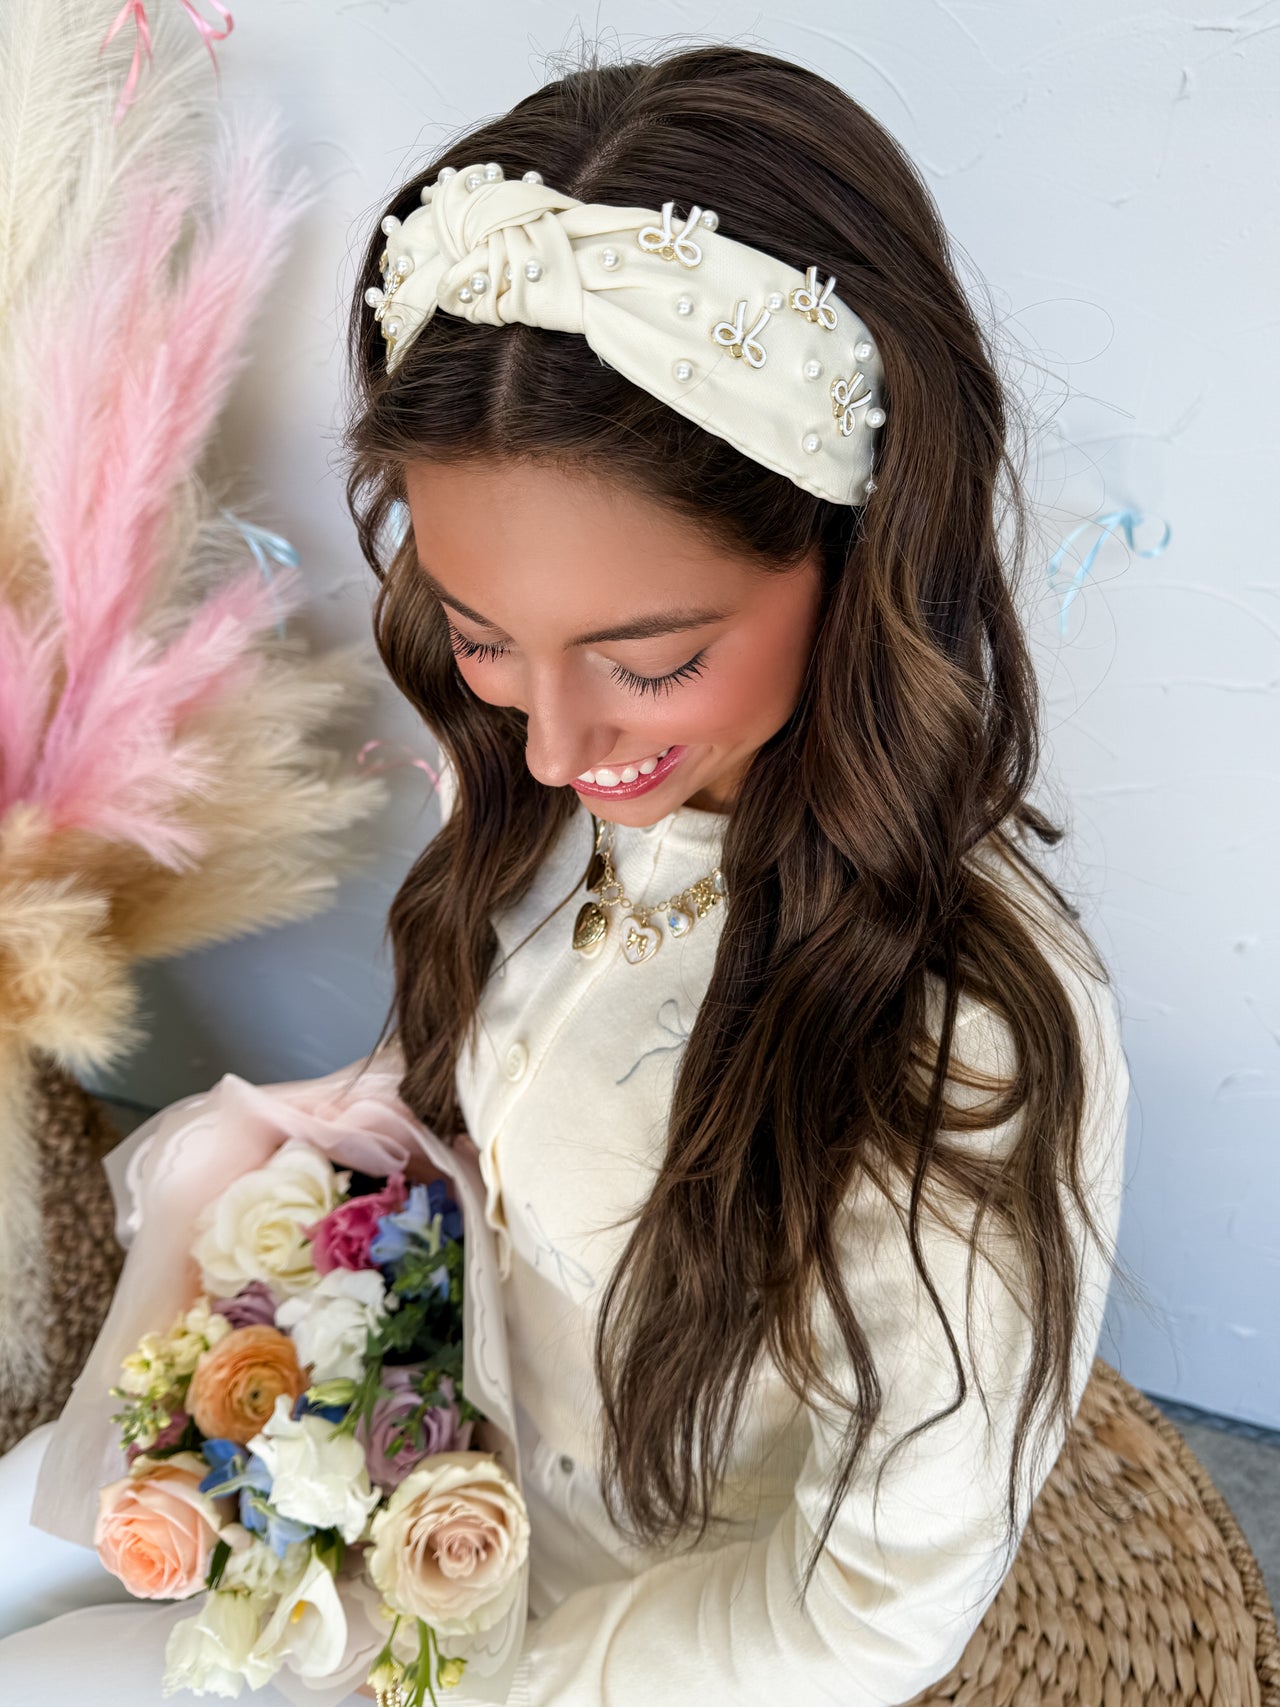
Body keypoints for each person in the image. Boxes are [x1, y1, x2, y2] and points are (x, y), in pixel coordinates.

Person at [0, 39, 1133, 1707]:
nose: (546, 750)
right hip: (432, 1449)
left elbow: (873, 1606)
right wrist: (349, 1139)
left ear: (857, 550)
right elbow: (552, 1073)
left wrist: (504, 1686)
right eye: (480, 638)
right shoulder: (577, 779)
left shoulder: (950, 1039)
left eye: (652, 658)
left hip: (612, 1640)